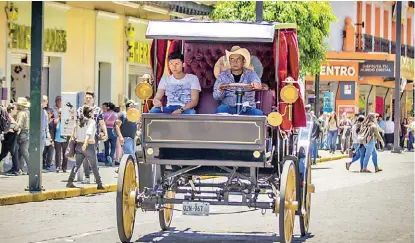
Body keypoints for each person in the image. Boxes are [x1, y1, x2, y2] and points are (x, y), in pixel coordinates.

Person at [213, 46, 263, 115]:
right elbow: (216, 96)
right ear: (229, 61)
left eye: (238, 59)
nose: (235, 62)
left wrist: (255, 84)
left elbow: (256, 81)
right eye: (232, 59)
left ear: (243, 61)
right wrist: (220, 89)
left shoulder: (251, 73)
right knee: (220, 110)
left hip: (247, 108)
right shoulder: (222, 76)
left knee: (258, 113)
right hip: (229, 108)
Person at [66, 106, 104, 189]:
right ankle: (99, 183)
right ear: (90, 113)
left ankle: (70, 181)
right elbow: (89, 133)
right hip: (88, 145)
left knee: (77, 165)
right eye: (93, 112)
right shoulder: (91, 122)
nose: (94, 114)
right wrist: (85, 143)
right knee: (94, 165)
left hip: (79, 145)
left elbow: (74, 133)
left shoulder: (79, 121)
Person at [0, 104, 21, 175]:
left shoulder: (9, 116)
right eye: (15, 109)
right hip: (10, 137)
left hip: (9, 137)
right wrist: (16, 128)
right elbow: (9, 128)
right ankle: (16, 169)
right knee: (9, 153)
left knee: (8, 153)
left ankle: (16, 169)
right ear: (11, 109)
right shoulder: (8, 117)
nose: (17, 111)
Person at [51, 108, 69, 173]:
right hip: (57, 139)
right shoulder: (55, 121)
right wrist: (52, 140)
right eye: (59, 113)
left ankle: (64, 167)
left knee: (65, 154)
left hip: (65, 139)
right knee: (58, 154)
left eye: (62, 113)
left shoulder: (67, 121)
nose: (60, 114)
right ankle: (57, 167)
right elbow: (53, 131)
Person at [15, 97, 30, 172]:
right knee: (21, 152)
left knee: (23, 151)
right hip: (26, 133)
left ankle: (30, 168)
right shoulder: (27, 112)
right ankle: (20, 168)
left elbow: (19, 124)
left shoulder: (21, 113)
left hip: (22, 133)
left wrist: (15, 131)